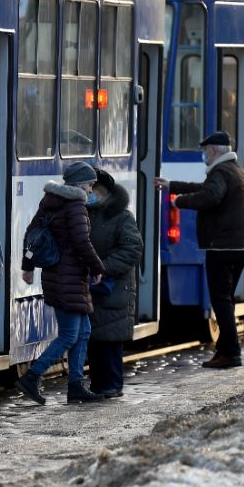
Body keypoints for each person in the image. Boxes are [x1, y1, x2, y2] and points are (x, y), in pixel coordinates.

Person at [155, 130, 244, 369]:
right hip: (238, 247)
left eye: (206, 151)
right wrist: (172, 186)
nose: (204, 155)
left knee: (221, 301)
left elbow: (210, 197)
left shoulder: (220, 172)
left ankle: (232, 353)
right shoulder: (234, 170)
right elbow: (205, 188)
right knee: (226, 300)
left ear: (214, 150)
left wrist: (179, 201)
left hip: (222, 247)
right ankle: (225, 350)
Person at [16, 161, 107, 405]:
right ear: (80, 184)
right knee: (68, 335)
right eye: (90, 184)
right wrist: (98, 267)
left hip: (58, 276)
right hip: (68, 279)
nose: (91, 190)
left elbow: (31, 235)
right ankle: (32, 376)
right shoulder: (76, 206)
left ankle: (76, 385)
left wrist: (27, 266)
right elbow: (82, 242)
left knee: (83, 331)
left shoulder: (50, 202)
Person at [86, 168, 143, 397]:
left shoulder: (122, 216)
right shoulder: (86, 214)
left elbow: (132, 249)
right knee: (95, 338)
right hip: (94, 285)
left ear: (106, 191)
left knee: (109, 339)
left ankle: (111, 385)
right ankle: (99, 385)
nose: (91, 192)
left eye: (95, 188)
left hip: (114, 287)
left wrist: (103, 267)